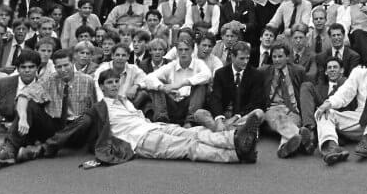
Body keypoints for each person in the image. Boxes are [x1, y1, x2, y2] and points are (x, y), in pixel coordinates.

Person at [87, 68, 261, 164]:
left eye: (116, 81)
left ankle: (234, 140)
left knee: (195, 132)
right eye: (109, 83)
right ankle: (237, 155)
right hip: (140, 140)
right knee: (188, 146)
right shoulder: (100, 108)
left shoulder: (125, 100)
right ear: (101, 87)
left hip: (154, 127)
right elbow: (82, 124)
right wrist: (59, 141)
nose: (114, 85)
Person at [0, 48, 99, 164]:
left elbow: (96, 109)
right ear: (54, 67)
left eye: (66, 65)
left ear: (73, 63)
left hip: (76, 129)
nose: (63, 70)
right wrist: (23, 119)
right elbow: (23, 96)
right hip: (55, 125)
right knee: (30, 105)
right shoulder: (49, 80)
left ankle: (43, 149)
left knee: (87, 118)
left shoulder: (88, 81)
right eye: (59, 67)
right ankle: (9, 151)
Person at [144, 35, 211, 125]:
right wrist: (162, 88)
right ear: (177, 51)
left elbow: (208, 75)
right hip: (172, 103)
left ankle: (190, 121)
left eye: (186, 49)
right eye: (180, 50)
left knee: (201, 85)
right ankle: (162, 119)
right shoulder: (172, 65)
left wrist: (181, 84)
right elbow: (148, 78)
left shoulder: (198, 63)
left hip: (190, 104)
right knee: (157, 84)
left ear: (192, 50)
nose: (183, 53)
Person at [257, 43, 308, 158]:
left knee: (289, 123)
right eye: (274, 57)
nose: (277, 60)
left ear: (287, 57)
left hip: (292, 109)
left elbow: (305, 93)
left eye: (280, 56)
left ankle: (284, 148)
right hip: (273, 109)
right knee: (280, 118)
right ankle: (301, 137)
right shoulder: (264, 71)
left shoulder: (299, 71)